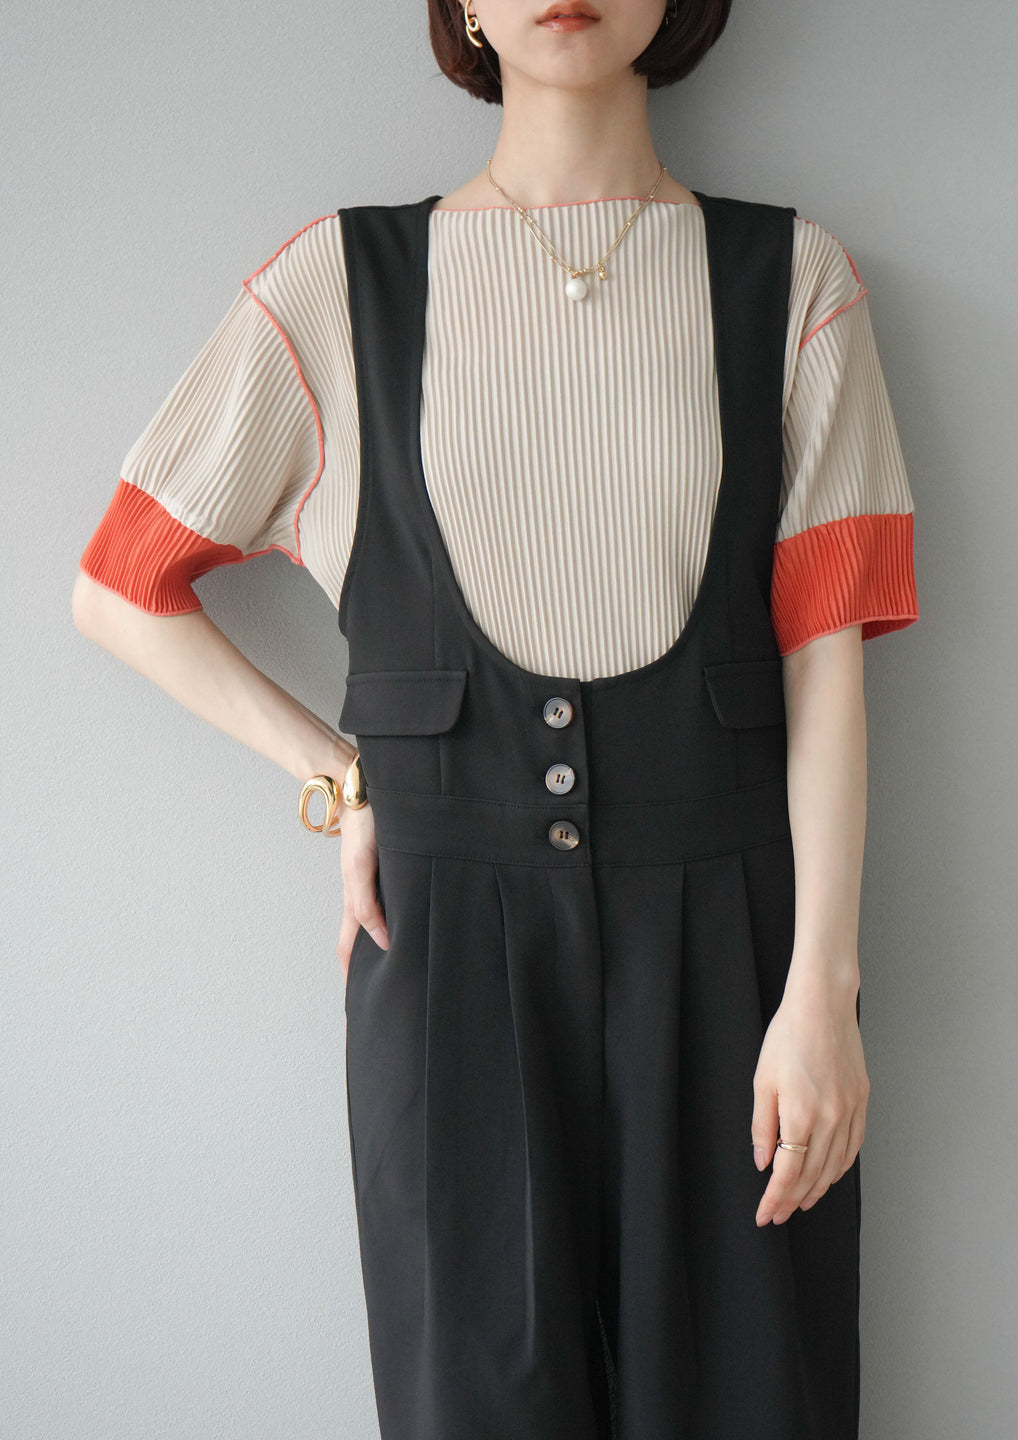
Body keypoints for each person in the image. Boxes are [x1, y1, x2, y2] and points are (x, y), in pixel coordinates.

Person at [72, 2, 919, 1435]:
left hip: (734, 957)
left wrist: (820, 995)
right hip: (446, 961)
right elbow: (119, 588)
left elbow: (825, 662)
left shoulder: (792, 281)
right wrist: (341, 778)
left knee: (751, 1396)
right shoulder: (342, 285)